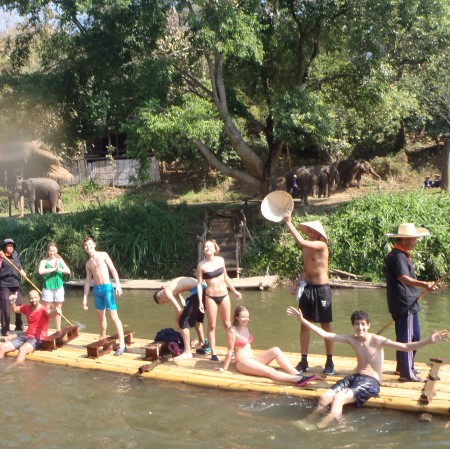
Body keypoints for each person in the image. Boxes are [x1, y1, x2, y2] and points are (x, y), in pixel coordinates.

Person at [287, 306, 449, 429]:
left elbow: (405, 346)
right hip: (354, 377)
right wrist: (302, 320)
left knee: (339, 398)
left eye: (363, 324)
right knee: (324, 398)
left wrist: (429, 341)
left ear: (368, 325)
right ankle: (310, 420)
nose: (360, 328)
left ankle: (320, 426)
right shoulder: (352, 339)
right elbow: (326, 335)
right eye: (357, 324)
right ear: (353, 326)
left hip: (371, 382)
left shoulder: (377, 340)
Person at [283, 211, 334, 375]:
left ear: (319, 234)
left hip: (322, 290)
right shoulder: (306, 248)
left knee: (325, 324)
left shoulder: (321, 245)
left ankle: (330, 360)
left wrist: (289, 222)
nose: (310, 234)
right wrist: (297, 283)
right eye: (309, 231)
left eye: (313, 232)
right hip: (308, 289)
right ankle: (304, 360)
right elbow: (306, 270)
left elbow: (299, 240)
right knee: (304, 324)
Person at [386, 223, 437, 381]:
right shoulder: (399, 256)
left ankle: (403, 367)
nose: (415, 242)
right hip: (404, 303)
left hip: (408, 301)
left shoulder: (400, 254)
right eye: (413, 239)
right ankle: (406, 374)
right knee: (408, 338)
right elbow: (402, 277)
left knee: (412, 336)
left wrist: (424, 286)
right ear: (404, 240)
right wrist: (423, 284)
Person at [219, 305, 317, 386]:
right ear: (236, 317)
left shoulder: (245, 327)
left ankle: (295, 372)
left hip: (253, 359)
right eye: (243, 317)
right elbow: (230, 350)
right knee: (270, 371)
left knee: (276, 350)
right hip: (242, 362)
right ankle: (298, 379)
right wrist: (224, 368)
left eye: (247, 317)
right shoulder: (232, 330)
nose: (246, 319)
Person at [197, 239, 242, 361]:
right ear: (204, 249)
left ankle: (231, 349)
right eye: (206, 246)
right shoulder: (201, 265)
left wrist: (234, 291)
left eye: (210, 246)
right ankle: (213, 353)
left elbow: (226, 277)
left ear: (215, 248)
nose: (208, 248)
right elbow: (199, 284)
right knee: (212, 325)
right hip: (210, 297)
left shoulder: (220, 260)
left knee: (227, 324)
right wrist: (200, 302)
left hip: (224, 295)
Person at [81, 237, 127, 356]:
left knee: (113, 315)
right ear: (84, 247)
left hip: (107, 288)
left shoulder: (103, 255)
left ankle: (122, 344)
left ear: (94, 245)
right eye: (86, 245)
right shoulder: (88, 264)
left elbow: (113, 270)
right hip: (97, 290)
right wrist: (85, 297)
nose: (88, 246)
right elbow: (87, 282)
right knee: (100, 316)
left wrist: (118, 285)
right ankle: (102, 338)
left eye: (90, 244)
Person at [0, 290, 60, 366]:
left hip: (38, 338)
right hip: (26, 336)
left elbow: (50, 313)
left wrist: (56, 311)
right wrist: (12, 301)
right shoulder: (27, 308)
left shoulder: (43, 309)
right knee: (2, 346)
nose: (33, 300)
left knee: (22, 349)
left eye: (35, 297)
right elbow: (14, 309)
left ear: (39, 298)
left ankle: (12, 368)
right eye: (31, 298)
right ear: (29, 299)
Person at [153, 276, 208, 360]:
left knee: (183, 322)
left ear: (160, 295)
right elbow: (182, 303)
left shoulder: (167, 290)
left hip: (198, 290)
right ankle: (202, 342)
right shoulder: (172, 288)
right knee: (196, 319)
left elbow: (178, 310)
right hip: (203, 288)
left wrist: (177, 323)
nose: (166, 302)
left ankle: (187, 352)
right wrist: (186, 307)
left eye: (163, 301)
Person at [39, 242, 71, 332]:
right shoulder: (44, 261)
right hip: (48, 287)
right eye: (50, 250)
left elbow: (68, 271)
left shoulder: (60, 261)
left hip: (59, 287)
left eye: (54, 250)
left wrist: (59, 269)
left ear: (56, 251)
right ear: (48, 251)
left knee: (58, 309)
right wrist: (53, 269)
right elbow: (40, 271)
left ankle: (58, 330)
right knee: (46, 310)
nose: (52, 252)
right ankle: (44, 330)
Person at [0, 238, 26, 336]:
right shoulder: (1, 257)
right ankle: (5, 329)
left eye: (12, 246)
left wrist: (22, 271)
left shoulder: (15, 256)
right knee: (5, 308)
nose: (10, 248)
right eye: (8, 246)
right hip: (4, 285)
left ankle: (19, 325)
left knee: (19, 305)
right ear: (5, 247)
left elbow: (19, 266)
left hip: (15, 284)